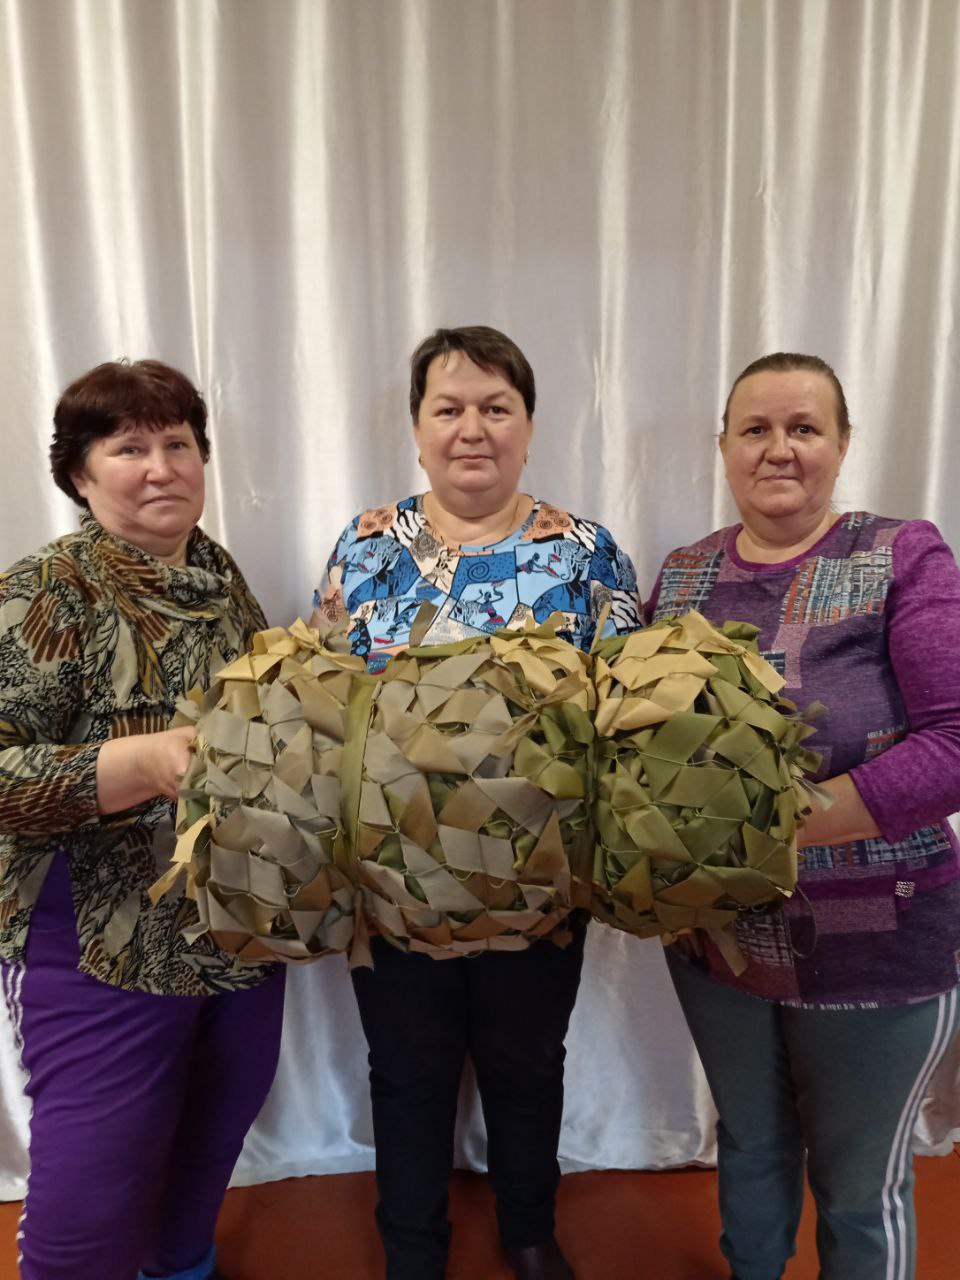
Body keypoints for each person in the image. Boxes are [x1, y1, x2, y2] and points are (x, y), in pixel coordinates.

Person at [313, 325, 642, 1280]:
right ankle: (412, 1248)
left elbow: (628, 707)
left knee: (527, 1062)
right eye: (448, 408)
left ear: (528, 427)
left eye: (496, 408)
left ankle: (529, 1230)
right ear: (417, 429)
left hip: (542, 881)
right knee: (406, 1069)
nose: (472, 429)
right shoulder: (366, 545)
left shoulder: (585, 553)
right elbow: (323, 696)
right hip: (391, 884)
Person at [647, 352, 960, 1280]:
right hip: (720, 942)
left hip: (879, 946)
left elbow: (952, 744)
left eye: (804, 428)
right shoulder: (685, 575)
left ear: (843, 444)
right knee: (748, 1148)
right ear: (724, 447)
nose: (778, 449)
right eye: (755, 429)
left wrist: (760, 829)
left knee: (859, 1191)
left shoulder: (900, 554)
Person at [0, 360, 285, 1280]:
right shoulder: (48, 590)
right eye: (129, 448)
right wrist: (138, 764)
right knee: (95, 1177)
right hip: (98, 933)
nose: (162, 467)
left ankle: (180, 1267)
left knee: (216, 1123)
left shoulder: (215, 573)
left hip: (234, 917)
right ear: (78, 475)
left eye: (178, 443)